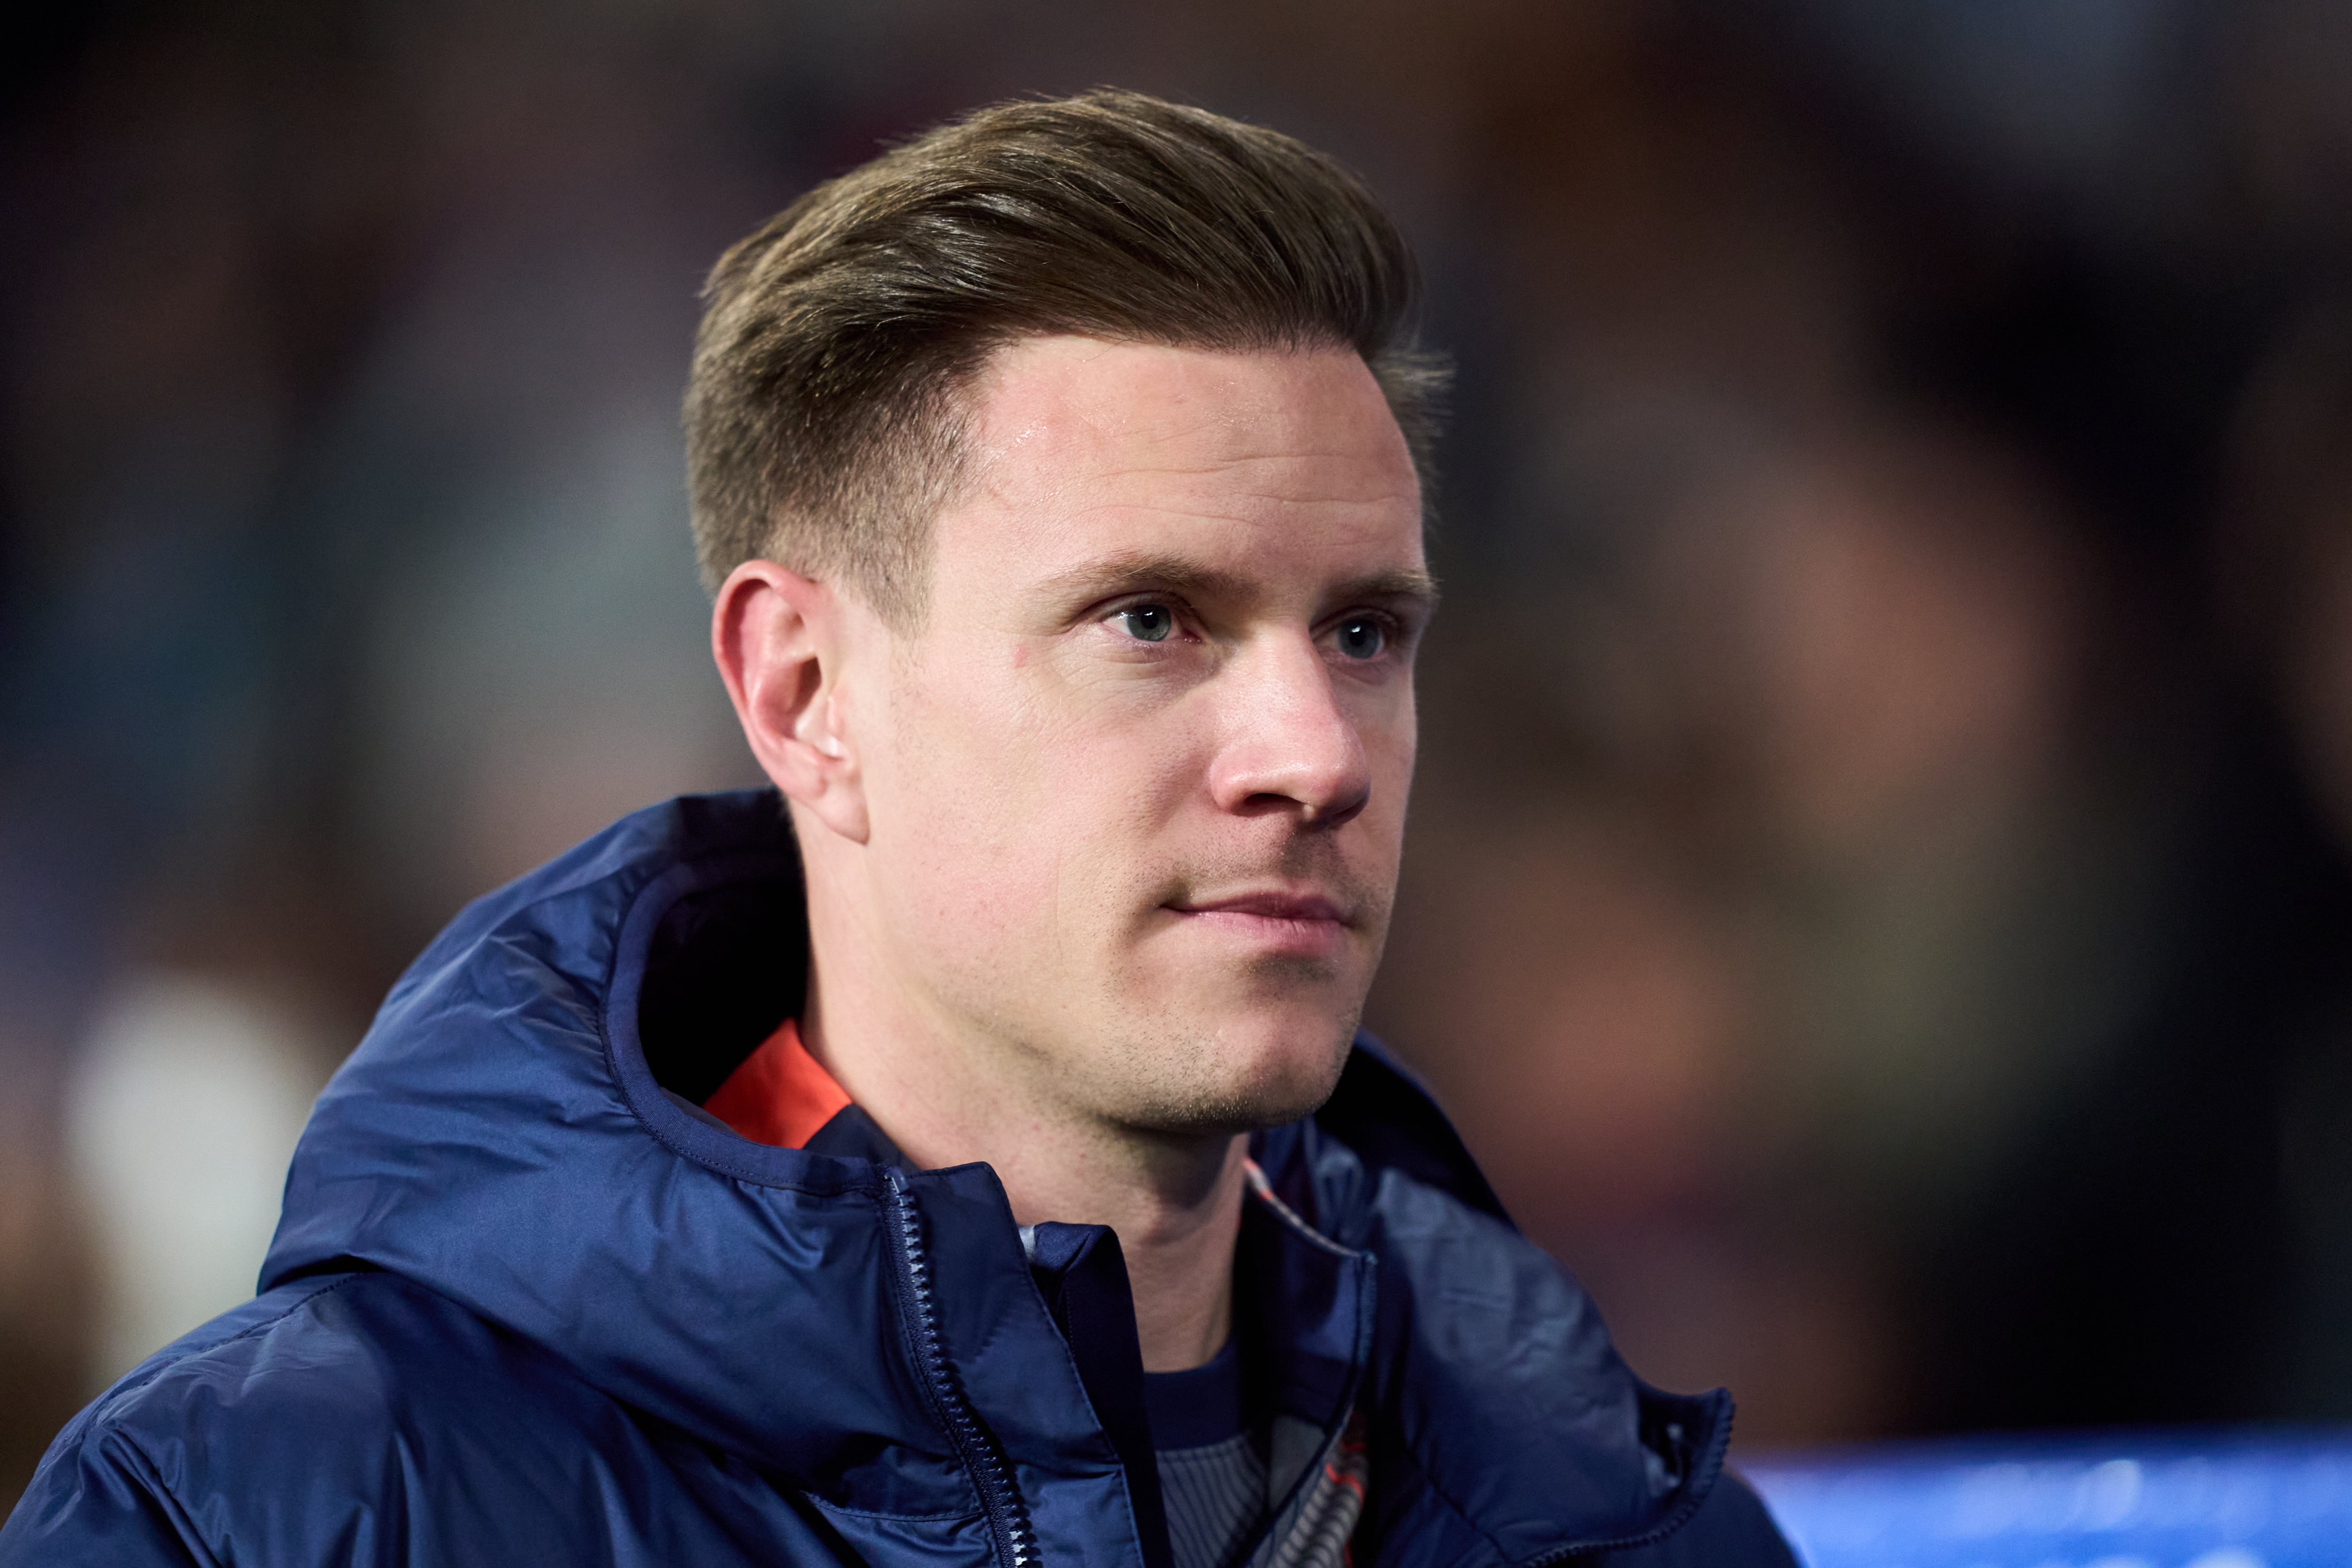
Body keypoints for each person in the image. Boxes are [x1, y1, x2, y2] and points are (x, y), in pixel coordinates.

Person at [1, 90, 1796, 1567]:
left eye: (1362, 632)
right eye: (1149, 620)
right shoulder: (269, 1516)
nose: (1314, 753)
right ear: (802, 694)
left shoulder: (1625, 1522)